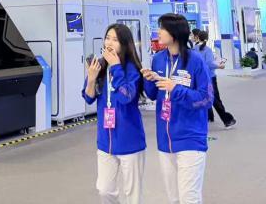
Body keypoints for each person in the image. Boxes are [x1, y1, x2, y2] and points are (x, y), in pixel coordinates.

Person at [142, 14, 214, 204]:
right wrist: (148, 80)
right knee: (173, 199)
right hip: (165, 140)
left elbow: (207, 99)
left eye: (162, 28)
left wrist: (176, 89)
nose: (158, 32)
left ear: (174, 33)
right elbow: (153, 95)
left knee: (189, 198)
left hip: (190, 138)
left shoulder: (195, 60)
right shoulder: (158, 59)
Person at [83, 23, 147, 204]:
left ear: (124, 44)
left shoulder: (132, 70)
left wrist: (116, 67)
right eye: (107, 38)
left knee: (133, 195)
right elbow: (88, 98)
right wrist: (92, 78)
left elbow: (126, 96)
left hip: (130, 141)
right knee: (104, 190)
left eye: (115, 40)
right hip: (106, 142)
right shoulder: (99, 66)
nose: (109, 43)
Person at [193, 29, 236, 129]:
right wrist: (219, 66)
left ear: (198, 38)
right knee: (215, 99)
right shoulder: (207, 50)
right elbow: (209, 63)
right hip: (209, 77)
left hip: (198, 78)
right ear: (207, 39)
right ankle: (227, 120)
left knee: (203, 98)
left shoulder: (194, 49)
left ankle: (205, 119)